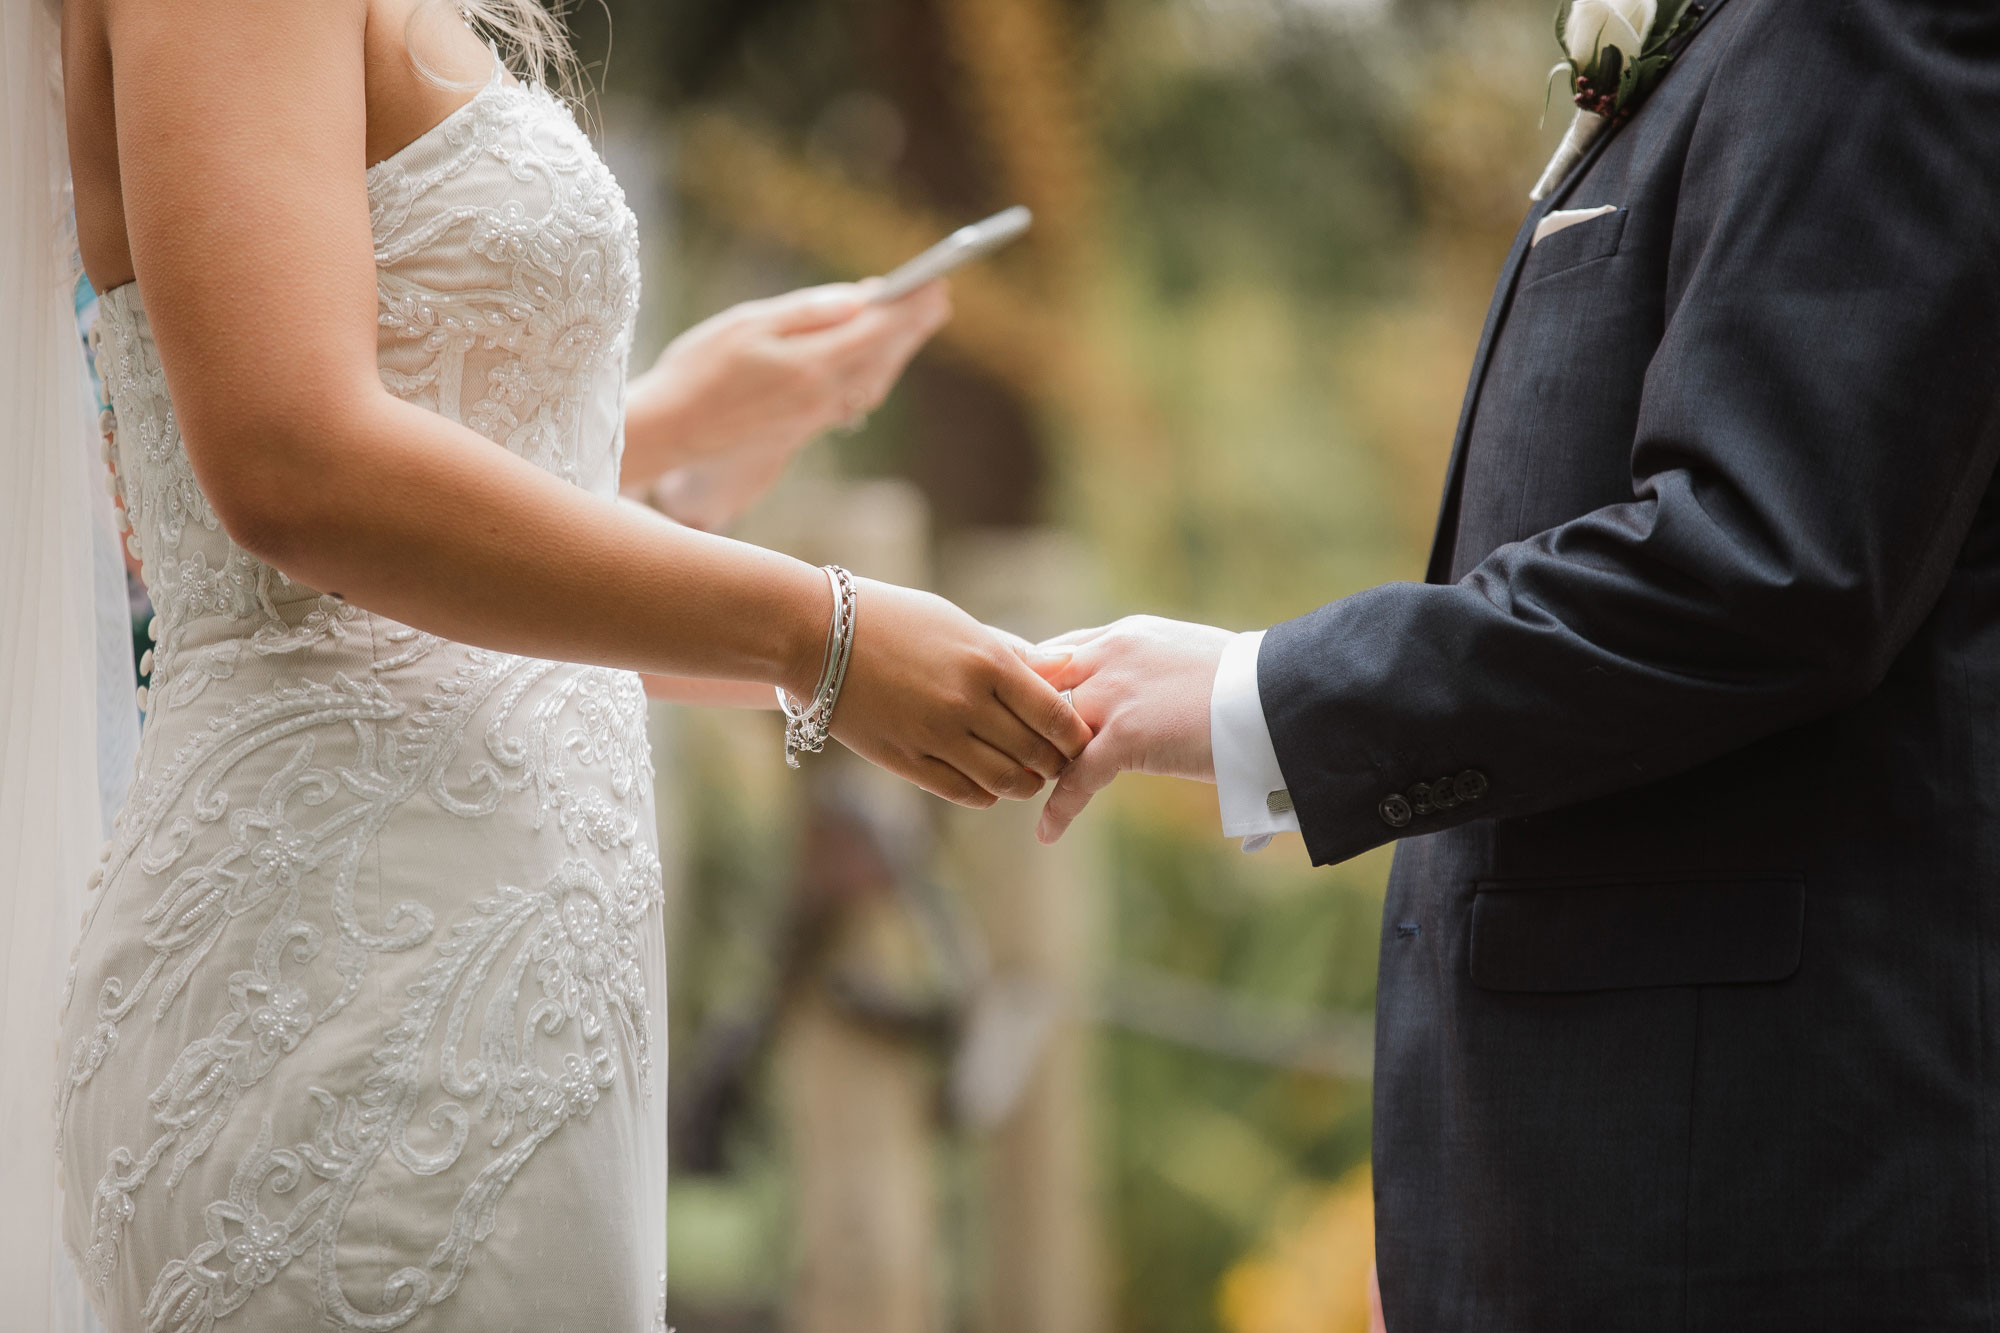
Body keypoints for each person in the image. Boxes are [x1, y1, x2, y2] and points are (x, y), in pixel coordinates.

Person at [30, 0, 1091, 1328]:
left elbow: (406, 563)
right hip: (346, 1003)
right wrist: (818, 631)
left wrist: (660, 429)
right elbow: (285, 473)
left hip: (504, 991)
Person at [1035, 0, 2000, 1326]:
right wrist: (1447, 1203)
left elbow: (1765, 565)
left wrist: (1256, 696)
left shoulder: (1859, 24)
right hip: (1594, 1193)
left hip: (1758, 1202)